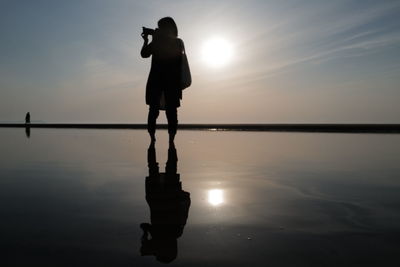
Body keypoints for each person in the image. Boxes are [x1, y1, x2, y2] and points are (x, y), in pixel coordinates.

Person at [141, 17, 185, 144]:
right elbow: (144, 54)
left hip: (159, 81)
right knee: (170, 112)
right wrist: (149, 39)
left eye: (160, 27)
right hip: (171, 82)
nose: (158, 29)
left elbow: (144, 54)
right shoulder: (177, 42)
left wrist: (150, 39)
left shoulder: (166, 42)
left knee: (155, 111)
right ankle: (170, 140)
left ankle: (153, 139)